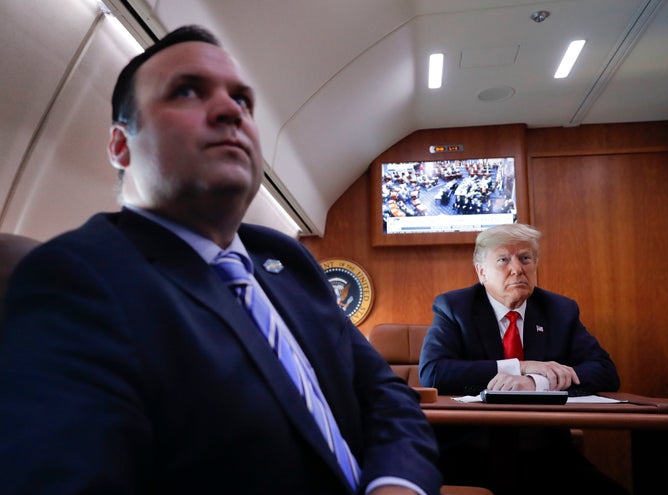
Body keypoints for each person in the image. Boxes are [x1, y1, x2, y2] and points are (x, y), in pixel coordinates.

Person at [0, 26, 441, 495]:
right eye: (187, 91)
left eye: (244, 101)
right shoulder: (76, 278)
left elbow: (386, 396)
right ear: (120, 145)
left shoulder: (285, 258)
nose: (232, 110)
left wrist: (397, 485)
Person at [419, 223, 627, 495]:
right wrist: (520, 366)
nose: (517, 268)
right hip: (468, 450)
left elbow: (605, 372)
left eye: (525, 258)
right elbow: (434, 373)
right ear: (482, 271)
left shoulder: (560, 310)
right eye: (503, 259)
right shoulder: (455, 307)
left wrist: (535, 381)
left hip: (544, 452)